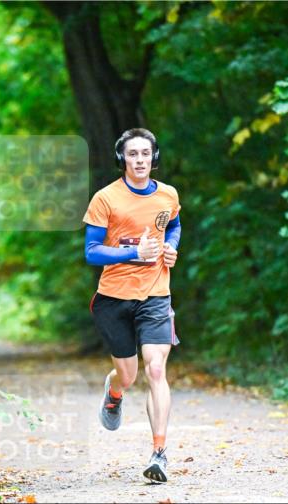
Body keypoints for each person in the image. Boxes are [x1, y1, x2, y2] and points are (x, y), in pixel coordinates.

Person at [83, 128, 182, 483]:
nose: (139, 160)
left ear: (154, 158)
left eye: (145, 154)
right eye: (132, 154)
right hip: (114, 297)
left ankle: (159, 453)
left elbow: (174, 225)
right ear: (122, 158)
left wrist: (171, 247)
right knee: (129, 374)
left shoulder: (168, 194)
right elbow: (91, 251)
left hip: (156, 294)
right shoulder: (106, 198)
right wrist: (132, 253)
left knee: (156, 370)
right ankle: (114, 391)